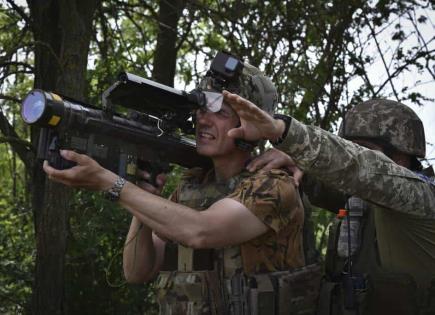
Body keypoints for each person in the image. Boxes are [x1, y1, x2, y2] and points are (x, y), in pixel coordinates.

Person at [43, 52, 316, 315]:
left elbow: (200, 230)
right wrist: (143, 199)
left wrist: (110, 183)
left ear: (251, 125)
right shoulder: (192, 186)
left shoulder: (275, 186)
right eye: (202, 107)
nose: (203, 119)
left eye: (220, 111)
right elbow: (137, 271)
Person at [223, 92, 435, 315]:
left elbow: (360, 169)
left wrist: (284, 132)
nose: (351, 154)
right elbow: (326, 183)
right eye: (347, 147)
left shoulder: (423, 199)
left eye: (361, 148)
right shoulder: (363, 201)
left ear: (401, 157)